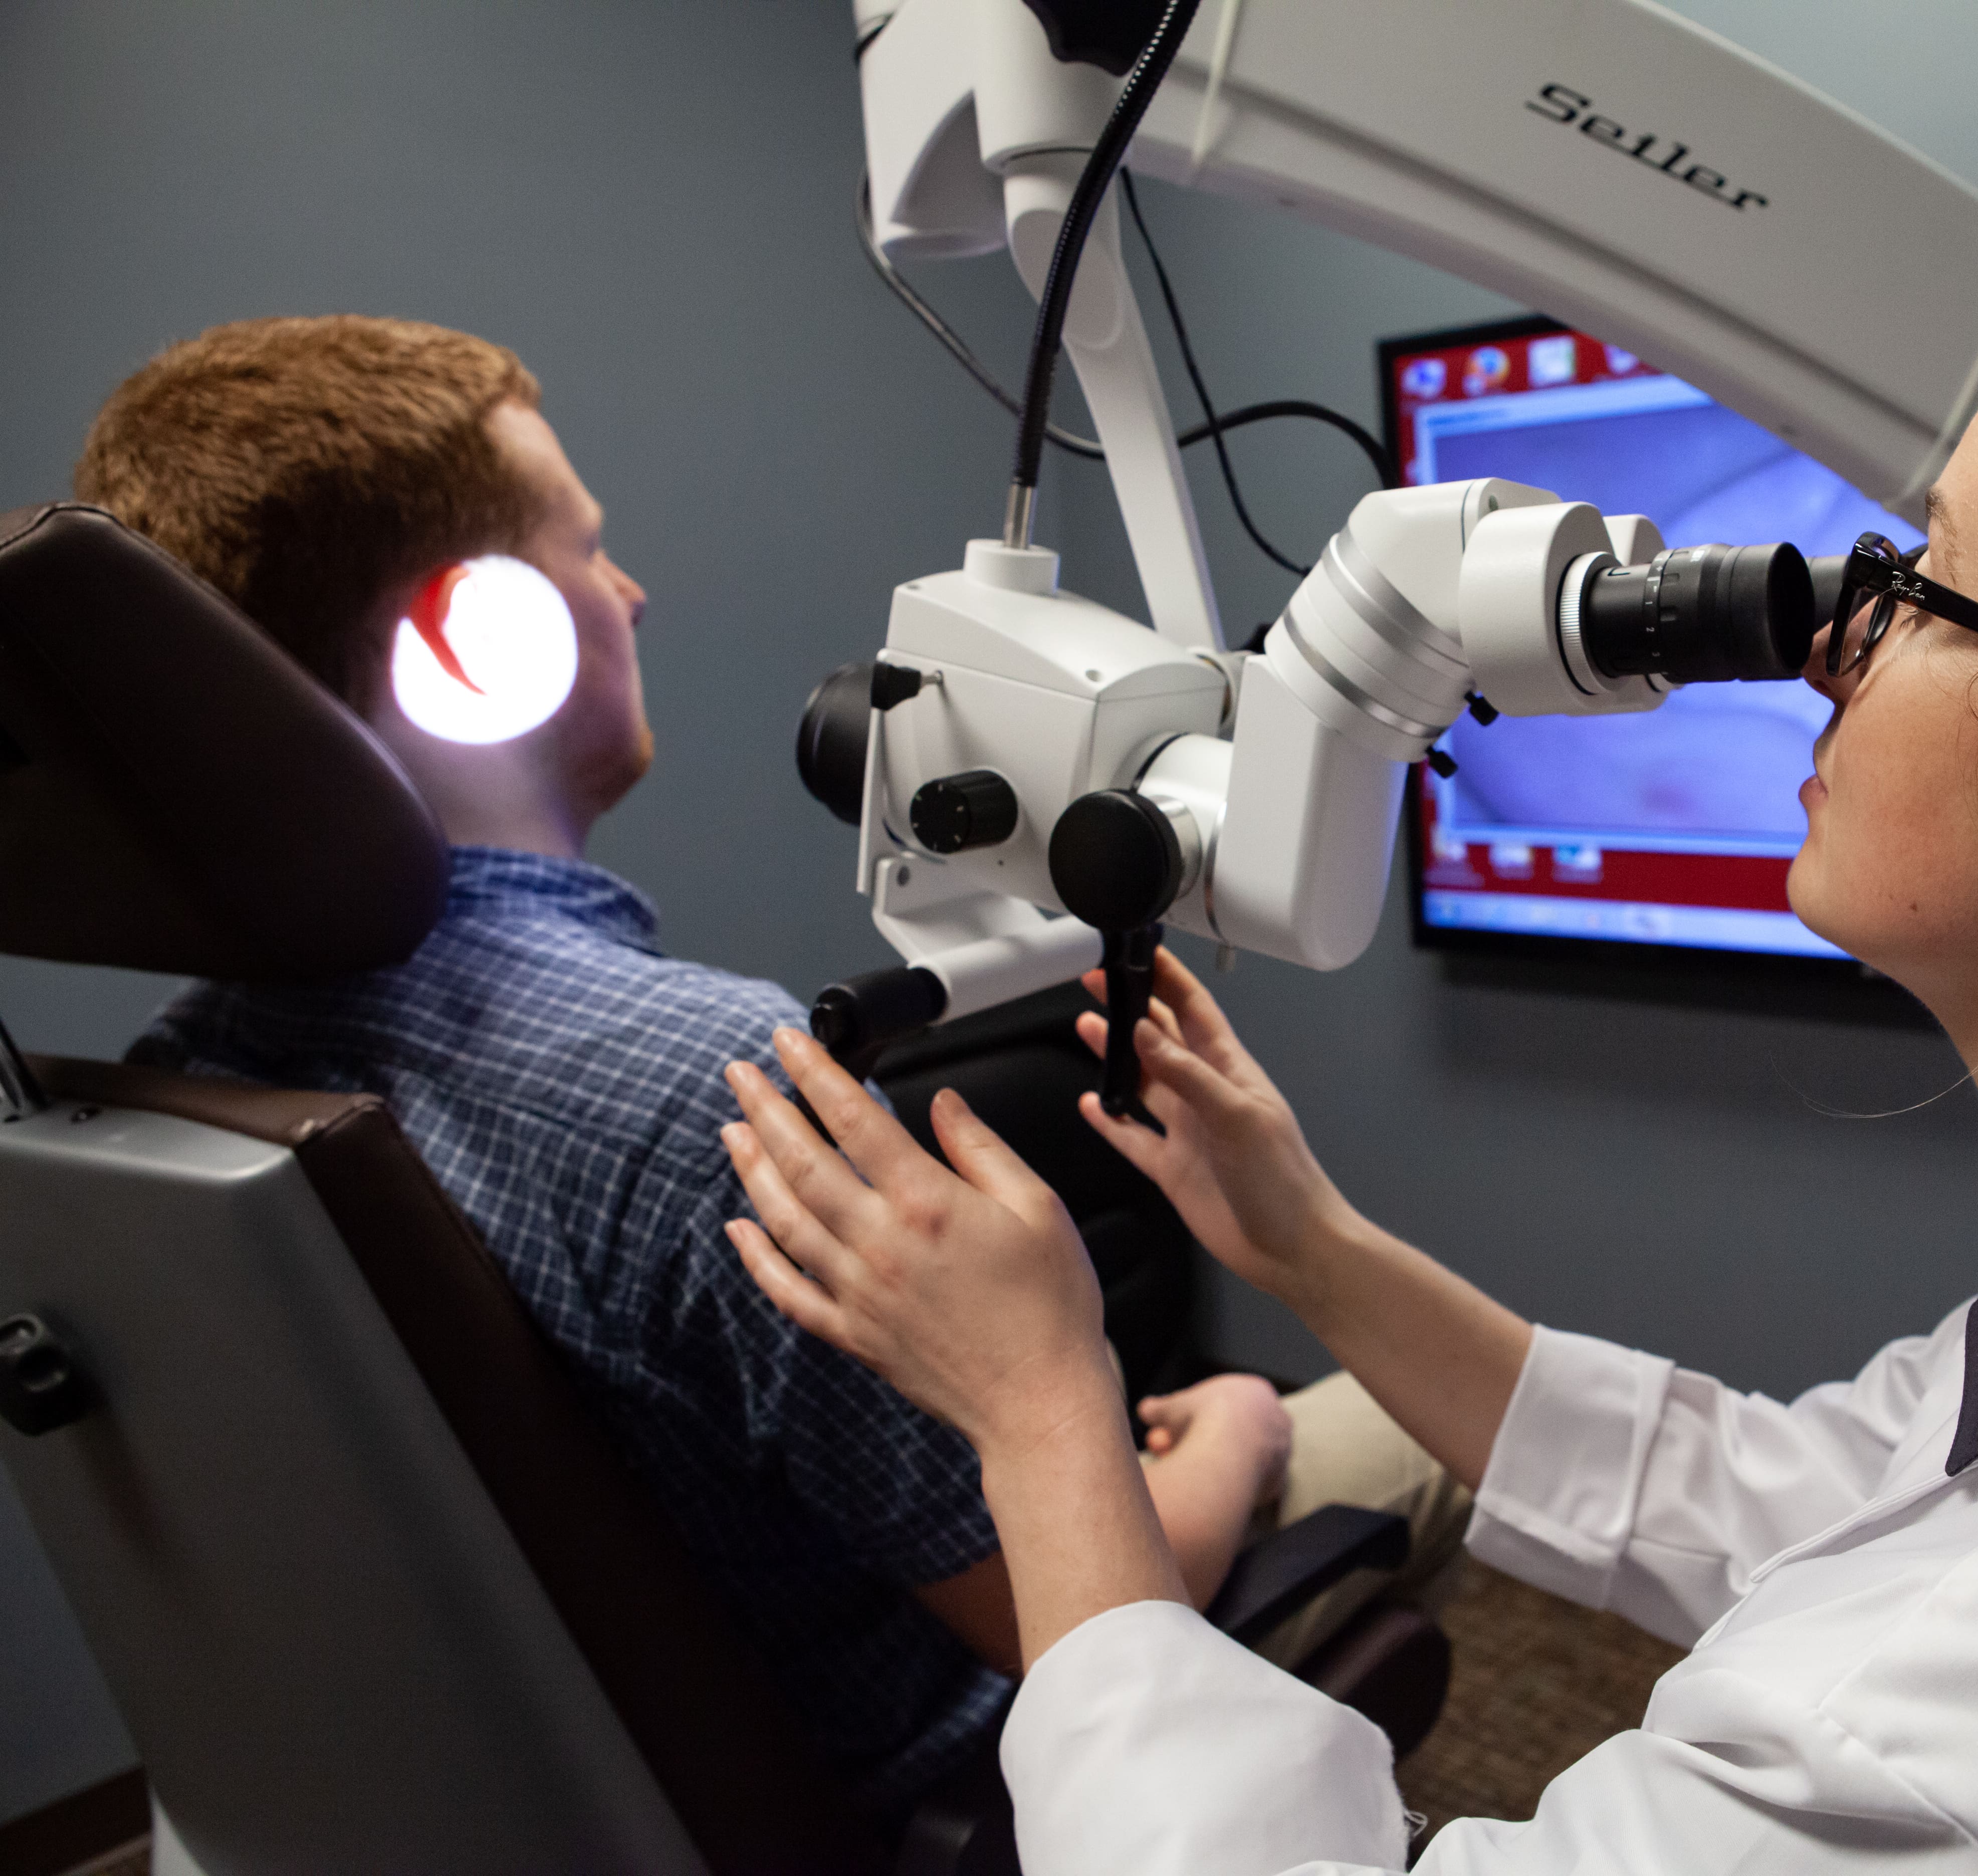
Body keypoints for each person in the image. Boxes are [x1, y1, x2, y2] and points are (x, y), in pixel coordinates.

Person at [717, 159, 1978, 1869]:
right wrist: (1315, 1253)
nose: (1834, 640)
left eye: (1928, 584)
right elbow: (1812, 1494)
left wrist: (1043, 1419)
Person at [72, 315, 1325, 1823]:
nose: (632, 594)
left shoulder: (172, 1079)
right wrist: (1245, 1431)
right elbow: (1083, 1634)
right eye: (583, 555)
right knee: (1362, 1438)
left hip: (524, 1812)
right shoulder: (712, 1096)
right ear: (484, 643)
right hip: (951, 1797)